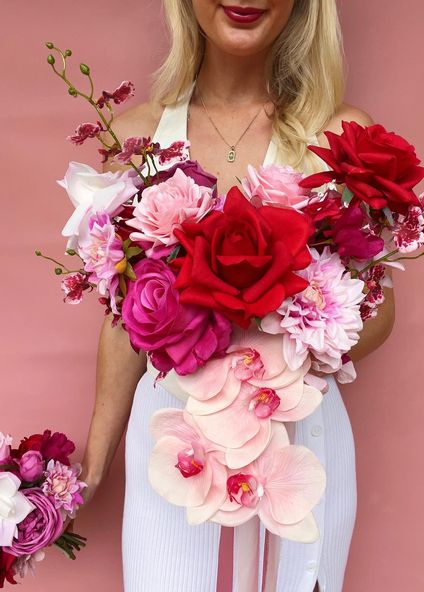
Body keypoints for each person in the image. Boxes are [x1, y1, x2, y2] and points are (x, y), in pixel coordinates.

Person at [75, 1, 395, 590]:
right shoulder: (135, 136)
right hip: (171, 440)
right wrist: (89, 469)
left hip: (298, 435)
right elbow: (127, 314)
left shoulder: (343, 137)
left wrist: (280, 336)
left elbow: (378, 313)